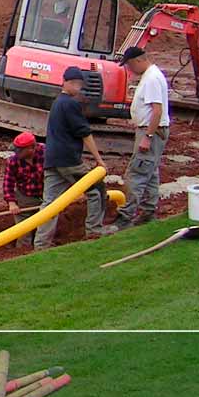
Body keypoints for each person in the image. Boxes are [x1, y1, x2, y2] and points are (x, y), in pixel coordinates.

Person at [36, 67, 110, 248]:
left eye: (80, 85)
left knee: (50, 205)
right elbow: (85, 133)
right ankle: (94, 229)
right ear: (65, 82)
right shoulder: (70, 104)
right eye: (75, 84)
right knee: (97, 190)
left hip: (52, 160)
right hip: (69, 160)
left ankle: (41, 243)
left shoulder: (57, 103)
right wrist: (99, 160)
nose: (78, 88)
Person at [109, 46, 170, 231]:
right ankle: (148, 212)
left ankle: (125, 217)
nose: (129, 69)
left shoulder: (151, 79)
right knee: (150, 173)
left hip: (150, 131)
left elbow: (157, 111)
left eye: (128, 65)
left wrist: (148, 137)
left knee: (137, 173)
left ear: (138, 61)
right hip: (151, 131)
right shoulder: (151, 76)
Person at [2, 132, 45, 219]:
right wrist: (12, 203)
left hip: (47, 194)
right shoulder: (13, 161)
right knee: (23, 228)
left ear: (31, 148)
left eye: (19, 151)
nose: (16, 153)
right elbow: (8, 183)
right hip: (25, 196)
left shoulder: (46, 152)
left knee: (46, 225)